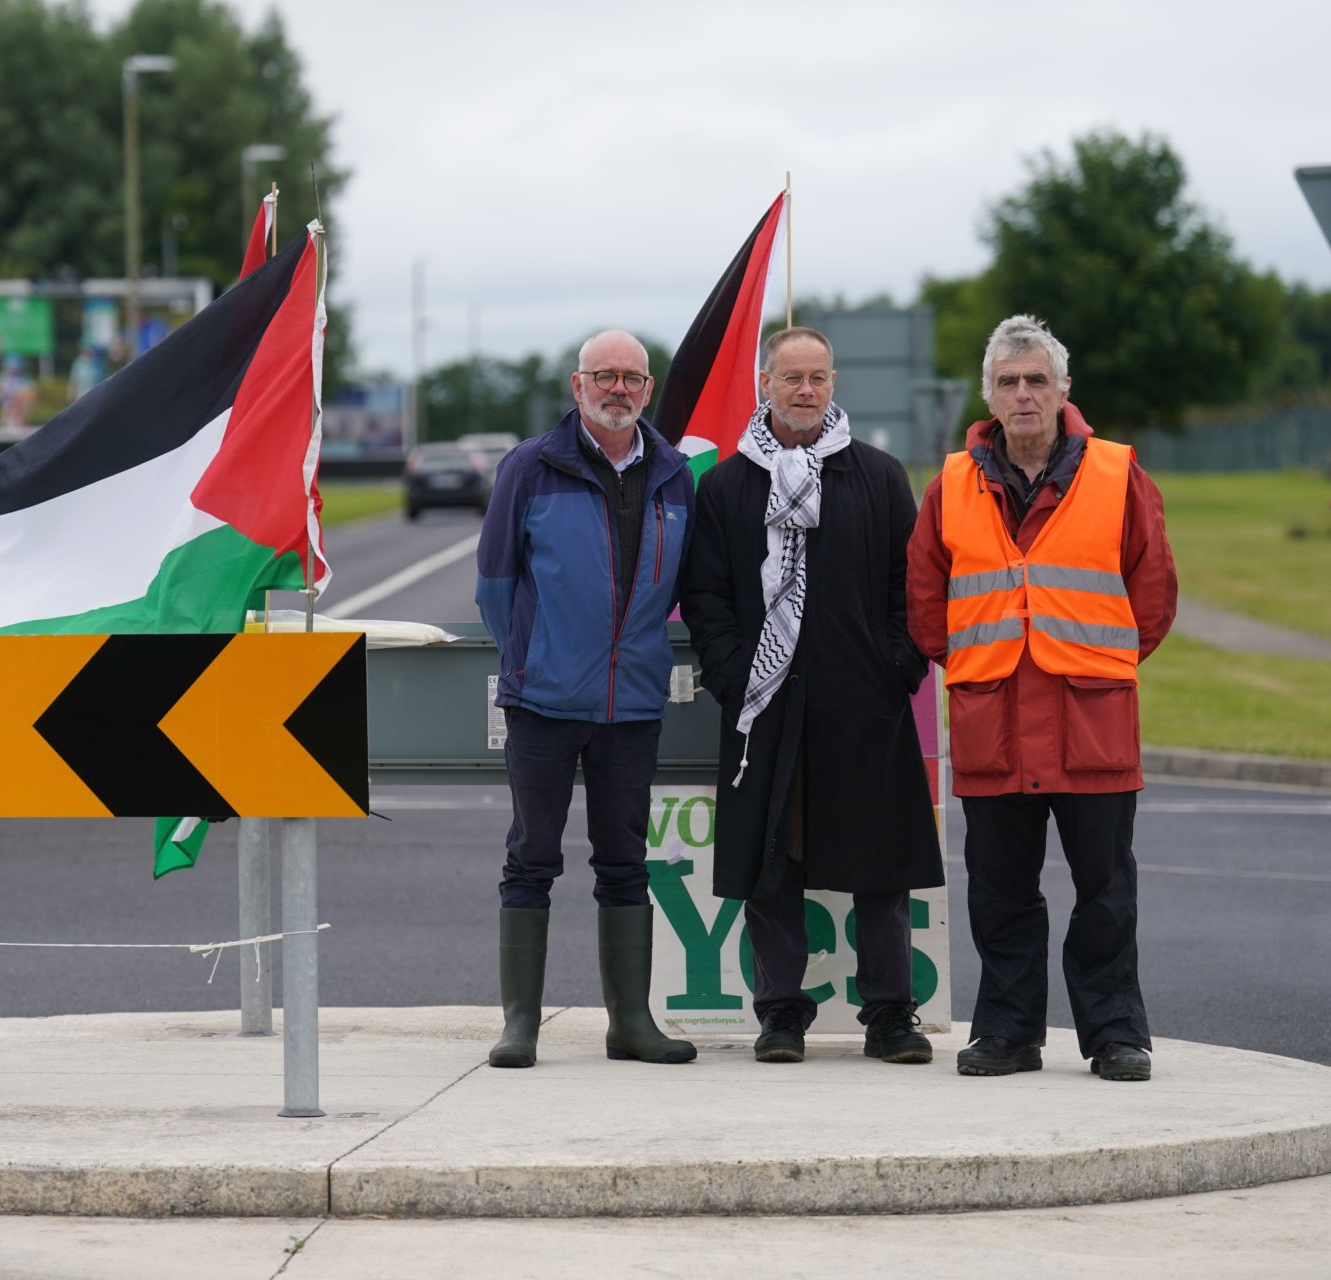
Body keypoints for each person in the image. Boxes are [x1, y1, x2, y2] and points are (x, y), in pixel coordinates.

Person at [907, 315, 1177, 1082]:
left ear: (1064, 390)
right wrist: (974, 663)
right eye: (1008, 382)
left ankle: (1116, 1034)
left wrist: (1100, 662)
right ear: (989, 395)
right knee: (999, 893)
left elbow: (1151, 597)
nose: (1023, 394)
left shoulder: (1120, 474)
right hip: (993, 721)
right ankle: (1007, 1033)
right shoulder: (952, 484)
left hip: (1091, 721)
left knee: (1106, 891)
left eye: (1036, 380)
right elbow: (925, 598)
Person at [683, 327, 944, 1067]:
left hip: (866, 705)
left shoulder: (879, 475)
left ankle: (892, 1014)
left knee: (881, 866)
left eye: (819, 377)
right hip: (766, 705)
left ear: (834, 385)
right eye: (791, 376)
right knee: (773, 865)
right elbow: (704, 596)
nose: (806, 390)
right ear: (765, 383)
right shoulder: (730, 485)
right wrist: (737, 674)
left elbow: (912, 586)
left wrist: (896, 667)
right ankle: (780, 1013)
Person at [475, 329, 699, 1069]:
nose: (619, 389)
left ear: (648, 388)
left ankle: (630, 1022)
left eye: (633, 377)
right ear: (577, 386)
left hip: (631, 705)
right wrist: (535, 664)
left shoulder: (673, 475)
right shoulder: (529, 468)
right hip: (543, 702)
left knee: (625, 862)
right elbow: (496, 586)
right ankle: (520, 1025)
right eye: (604, 375)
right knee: (531, 858)